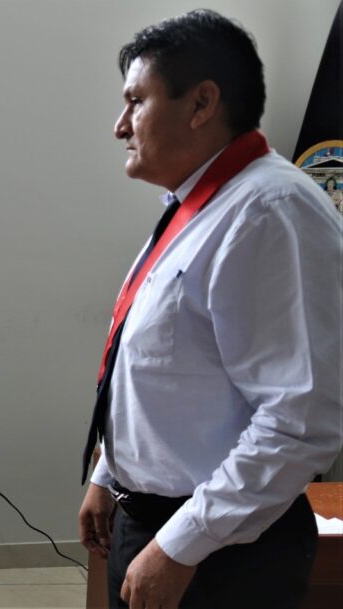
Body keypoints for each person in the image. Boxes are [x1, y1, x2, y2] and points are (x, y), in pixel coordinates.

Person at [77, 10, 342, 609]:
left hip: (220, 552)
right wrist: (108, 476)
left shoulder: (271, 213)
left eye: (136, 101)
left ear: (201, 103)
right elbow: (165, 369)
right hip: (156, 525)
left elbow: (300, 422)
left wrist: (180, 547)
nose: (120, 126)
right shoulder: (198, 206)